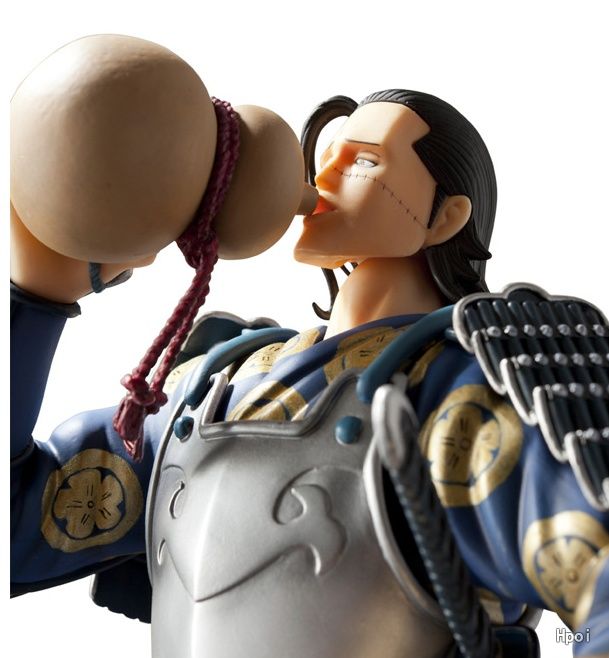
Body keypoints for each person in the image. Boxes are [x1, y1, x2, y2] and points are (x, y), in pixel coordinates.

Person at [11, 38, 609, 658]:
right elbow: (20, 526)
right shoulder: (211, 390)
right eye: (326, 156)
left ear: (445, 217)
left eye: (363, 162)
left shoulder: (467, 398)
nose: (322, 178)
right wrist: (35, 299)